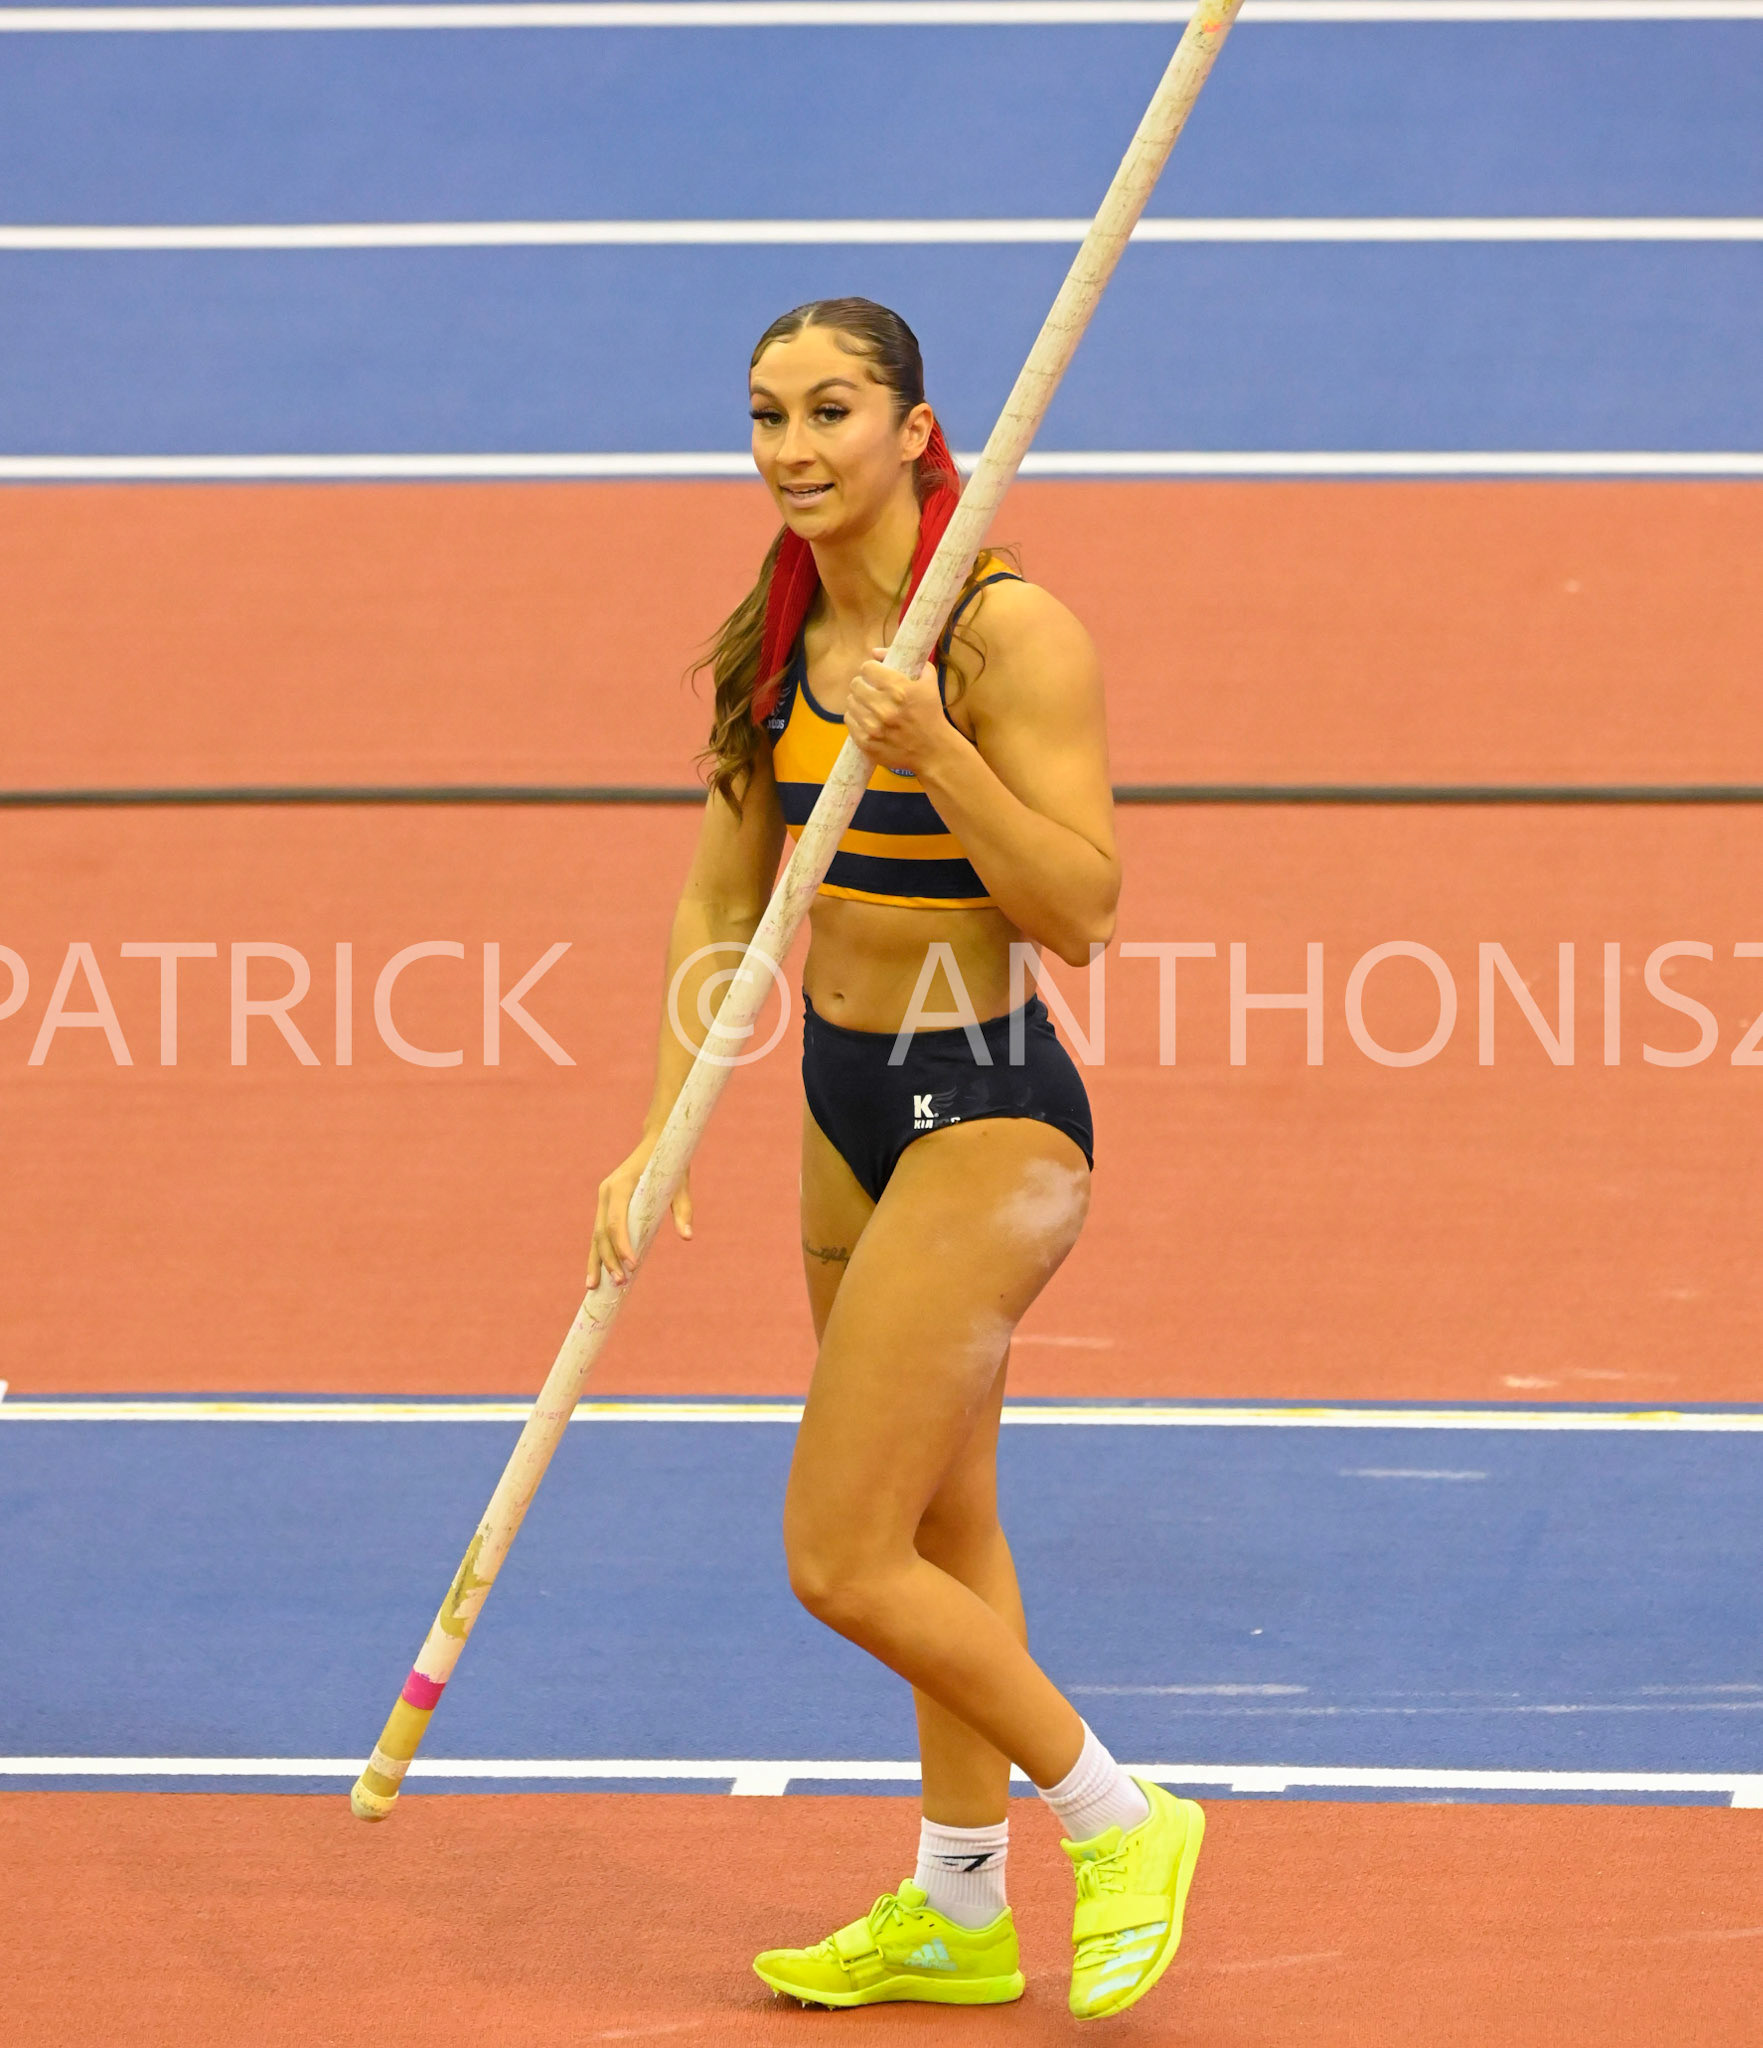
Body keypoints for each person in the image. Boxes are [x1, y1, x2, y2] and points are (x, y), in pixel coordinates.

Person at [588, 297, 1202, 2021]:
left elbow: (1080, 910)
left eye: (833, 411)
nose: (794, 447)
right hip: (840, 1109)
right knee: (942, 1522)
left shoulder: (1010, 637)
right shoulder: (764, 646)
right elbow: (726, 897)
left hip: (988, 1111)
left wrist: (929, 743)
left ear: (917, 433)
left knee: (841, 1555)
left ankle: (1121, 1815)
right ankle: (959, 1907)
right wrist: (660, 1125)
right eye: (768, 414)